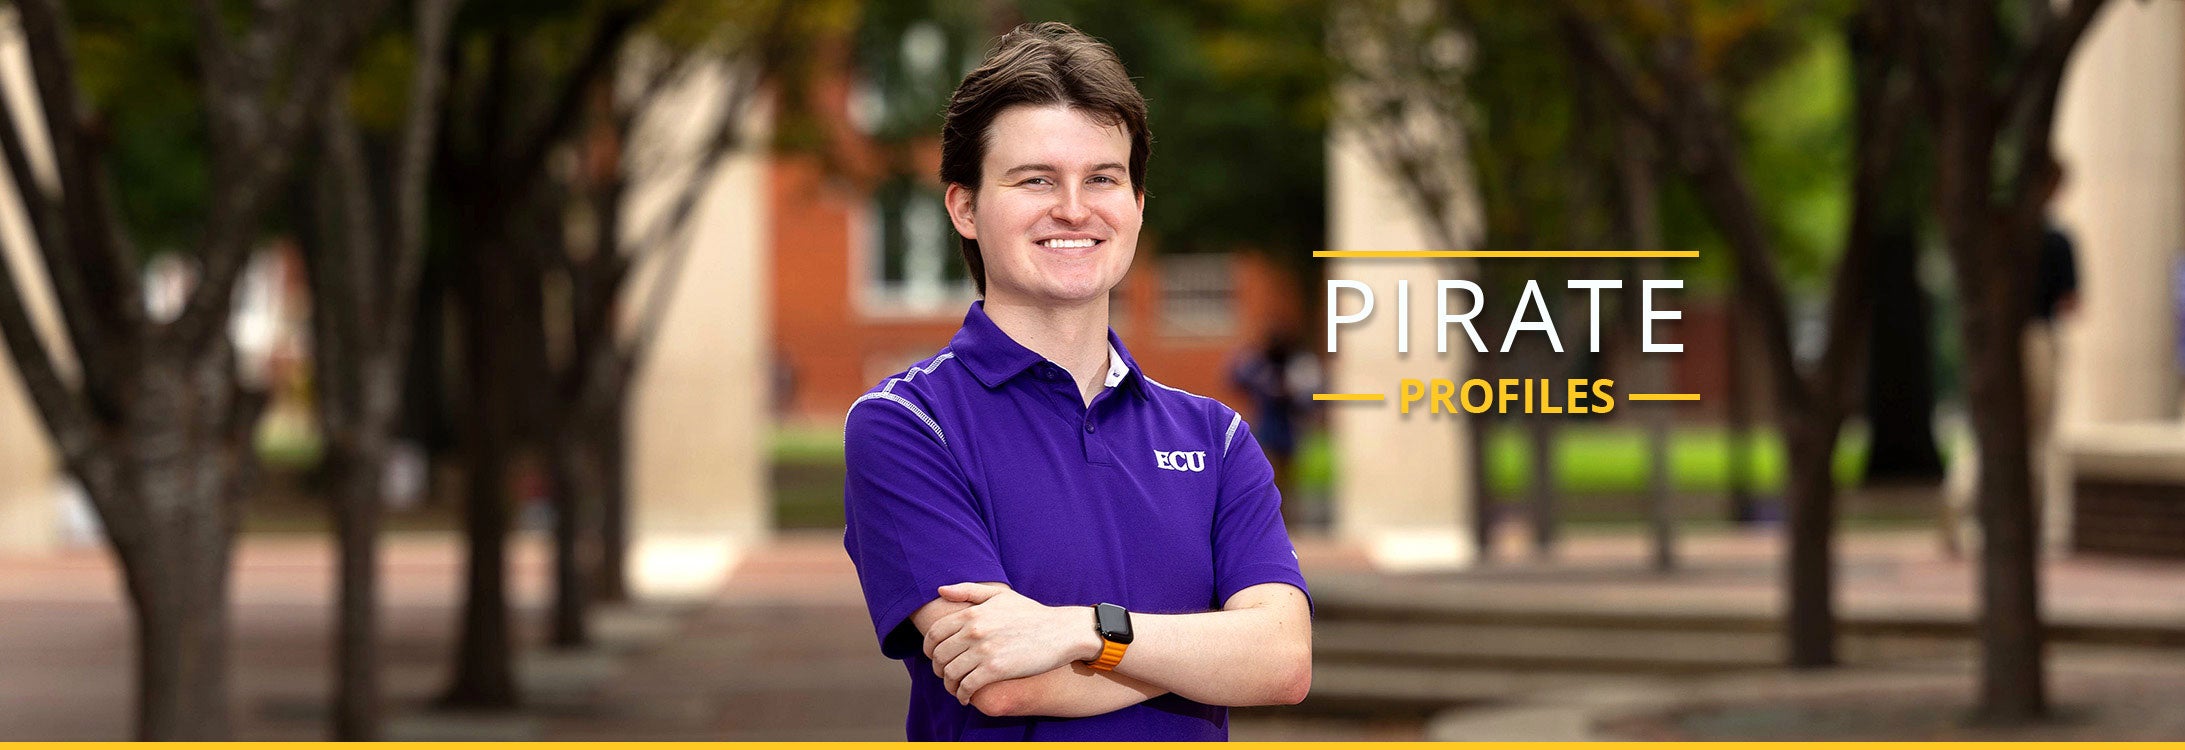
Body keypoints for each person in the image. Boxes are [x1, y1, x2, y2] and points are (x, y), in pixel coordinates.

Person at [841, 22, 1312, 741]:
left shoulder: (1215, 438)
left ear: (1137, 205)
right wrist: (1213, 652)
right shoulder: (907, 424)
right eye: (1035, 180)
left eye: (1102, 178)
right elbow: (1007, 683)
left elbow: (1282, 662)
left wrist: (1085, 633)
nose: (1073, 208)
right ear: (964, 208)